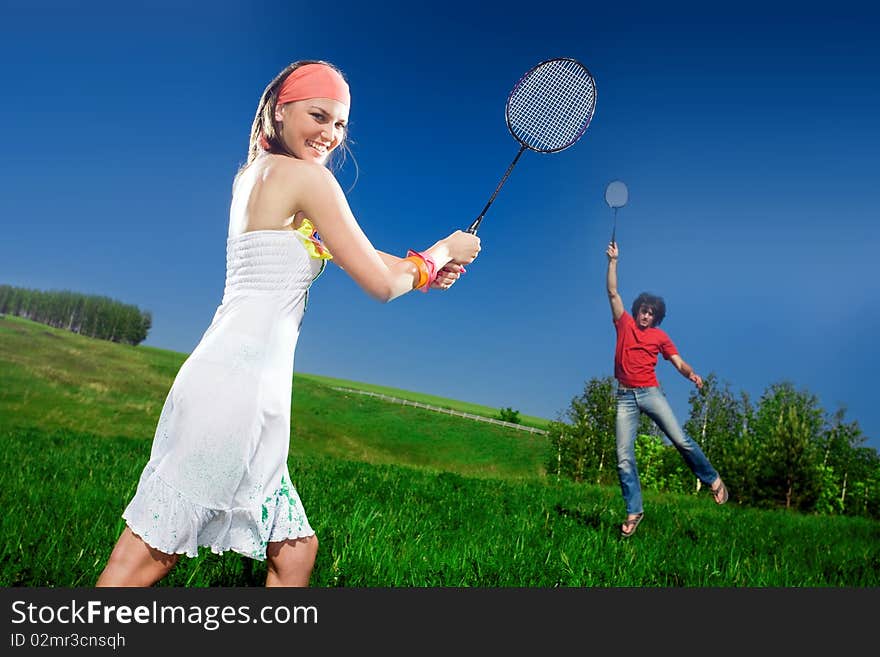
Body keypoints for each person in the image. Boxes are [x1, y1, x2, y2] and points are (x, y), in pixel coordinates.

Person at [96, 60, 481, 586]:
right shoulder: (307, 179)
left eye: (340, 124)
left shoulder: (257, 176)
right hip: (237, 393)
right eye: (318, 115)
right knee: (143, 559)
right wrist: (442, 251)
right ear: (282, 109)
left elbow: (359, 254)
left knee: (295, 553)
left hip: (237, 384)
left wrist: (424, 269)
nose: (330, 134)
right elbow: (382, 284)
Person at [605, 240, 727, 538]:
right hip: (625, 397)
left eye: (651, 313)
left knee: (680, 439)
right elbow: (612, 292)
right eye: (643, 310)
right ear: (636, 311)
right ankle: (634, 510)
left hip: (650, 392)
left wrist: (692, 375)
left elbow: (677, 361)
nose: (645, 315)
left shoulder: (660, 337)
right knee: (623, 456)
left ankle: (712, 479)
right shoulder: (623, 323)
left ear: (656, 317)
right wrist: (613, 261)